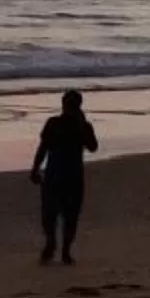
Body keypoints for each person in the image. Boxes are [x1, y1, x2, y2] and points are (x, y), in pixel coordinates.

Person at [29, 90, 100, 264]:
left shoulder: (53, 123)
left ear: (63, 104)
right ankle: (65, 251)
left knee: (50, 214)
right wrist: (82, 126)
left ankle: (51, 243)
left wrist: (35, 167)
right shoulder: (82, 125)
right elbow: (93, 147)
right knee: (70, 215)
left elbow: (43, 148)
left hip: (54, 173)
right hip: (73, 175)